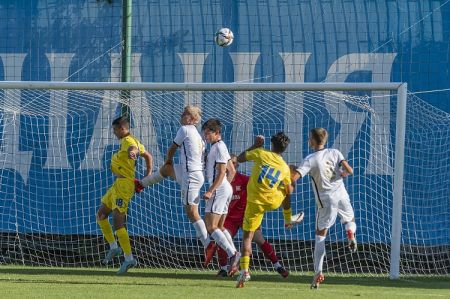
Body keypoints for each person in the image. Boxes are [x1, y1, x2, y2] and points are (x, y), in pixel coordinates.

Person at [135, 106, 212, 262]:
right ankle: (141, 184)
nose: (182, 115)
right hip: (193, 173)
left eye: (185, 114)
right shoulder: (198, 136)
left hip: (191, 175)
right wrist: (168, 163)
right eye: (183, 112)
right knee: (167, 169)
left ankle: (208, 244)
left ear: (192, 119)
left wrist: (168, 158)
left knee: (191, 212)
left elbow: (172, 148)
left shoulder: (185, 129)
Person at [290, 128, 357, 289]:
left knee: (321, 235)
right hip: (341, 193)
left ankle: (318, 271)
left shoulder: (310, 159)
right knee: (350, 219)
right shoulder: (335, 152)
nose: (308, 141)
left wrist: (290, 172)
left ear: (313, 141)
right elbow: (349, 170)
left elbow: (295, 178)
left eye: (309, 138)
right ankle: (350, 232)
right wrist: (342, 174)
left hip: (326, 199)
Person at [235, 132, 303, 288]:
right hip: (272, 201)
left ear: (272, 145)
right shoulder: (285, 168)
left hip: (255, 202)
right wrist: (290, 178)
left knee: (247, 237)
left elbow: (239, 158)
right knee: (286, 190)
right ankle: (288, 219)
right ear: (284, 149)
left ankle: (244, 271)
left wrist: (255, 146)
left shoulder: (261, 152)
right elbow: (289, 190)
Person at [216, 154, 297, 278]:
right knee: (221, 237)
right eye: (230, 162)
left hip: (247, 214)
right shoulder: (220, 182)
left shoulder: (244, 179)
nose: (232, 165)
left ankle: (278, 266)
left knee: (259, 239)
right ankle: (223, 268)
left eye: (234, 163)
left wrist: (282, 184)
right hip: (229, 218)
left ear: (236, 165)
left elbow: (262, 184)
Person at [96, 115, 153, 274]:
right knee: (101, 214)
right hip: (118, 184)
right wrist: (148, 174)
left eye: (115, 130)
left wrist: (132, 153)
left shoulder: (128, 141)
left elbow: (132, 150)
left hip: (124, 185)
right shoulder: (132, 140)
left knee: (118, 223)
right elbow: (148, 155)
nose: (114, 133)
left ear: (122, 128)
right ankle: (114, 247)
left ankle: (129, 258)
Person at [201, 118, 240, 274]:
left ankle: (233, 254)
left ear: (217, 133)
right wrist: (226, 187)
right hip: (224, 188)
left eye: (208, 133)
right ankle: (233, 257)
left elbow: (223, 171)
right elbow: (233, 170)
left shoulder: (218, 147)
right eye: (204, 133)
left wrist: (213, 189)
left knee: (211, 226)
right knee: (220, 227)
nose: (205, 136)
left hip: (219, 189)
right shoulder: (220, 147)